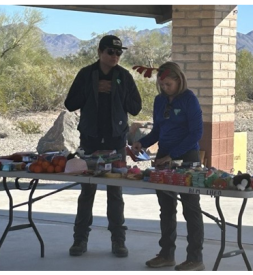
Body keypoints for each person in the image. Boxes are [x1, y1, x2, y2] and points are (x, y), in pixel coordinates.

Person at [64, 34, 142, 258]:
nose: (115, 56)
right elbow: (70, 104)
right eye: (110, 52)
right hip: (89, 141)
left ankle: (118, 241)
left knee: (115, 193)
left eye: (119, 53)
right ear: (99, 52)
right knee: (87, 191)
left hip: (116, 142)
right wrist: (94, 89)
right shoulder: (86, 74)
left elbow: (135, 107)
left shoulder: (124, 76)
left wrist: (117, 91)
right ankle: (80, 240)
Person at [132, 62, 205, 271]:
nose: (165, 88)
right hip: (163, 157)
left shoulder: (189, 99)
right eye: (162, 84)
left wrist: (173, 156)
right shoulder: (159, 101)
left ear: (179, 80)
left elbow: (196, 133)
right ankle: (166, 254)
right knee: (166, 208)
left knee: (191, 208)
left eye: (169, 84)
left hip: (187, 158)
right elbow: (157, 131)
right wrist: (142, 143)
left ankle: (195, 258)